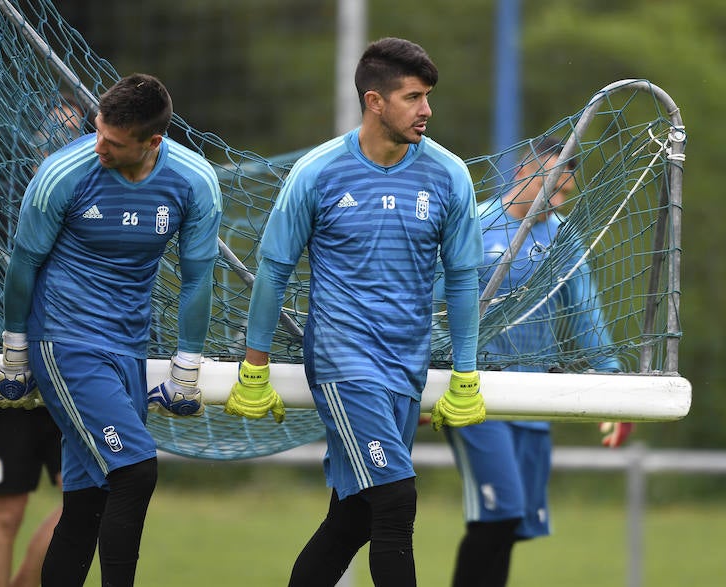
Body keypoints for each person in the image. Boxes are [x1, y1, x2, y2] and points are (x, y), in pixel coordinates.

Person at [223, 37, 486, 587]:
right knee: (396, 500)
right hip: (344, 362)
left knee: (354, 517)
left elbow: (462, 277)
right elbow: (272, 269)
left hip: (405, 367)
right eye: (413, 97)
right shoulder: (317, 172)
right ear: (375, 101)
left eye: (428, 97)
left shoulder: (449, 175)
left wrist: (465, 372)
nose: (427, 111)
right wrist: (254, 366)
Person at [0, 73, 223, 586]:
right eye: (98, 131)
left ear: (152, 142)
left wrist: (187, 364)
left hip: (128, 347)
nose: (98, 145)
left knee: (87, 503)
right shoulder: (62, 174)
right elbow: (23, 265)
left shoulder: (194, 180)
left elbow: (196, 279)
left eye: (114, 142)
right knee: (136, 470)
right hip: (66, 340)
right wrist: (14, 350)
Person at [442, 137, 634, 587]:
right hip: (474, 394)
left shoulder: (565, 237)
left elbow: (587, 315)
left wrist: (615, 390)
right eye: (553, 188)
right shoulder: (475, 225)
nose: (558, 200)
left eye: (566, 193)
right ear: (522, 174)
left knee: (510, 524)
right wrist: (432, 379)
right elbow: (434, 309)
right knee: (501, 510)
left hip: (533, 398)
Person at [0, 95, 87, 587]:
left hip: (71, 365)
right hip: (6, 368)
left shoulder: (97, 204)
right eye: (52, 130)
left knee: (92, 499)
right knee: (2, 514)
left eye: (71, 133)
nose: (58, 141)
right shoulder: (2, 199)